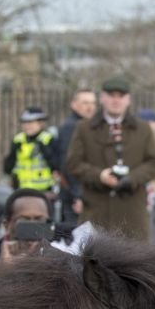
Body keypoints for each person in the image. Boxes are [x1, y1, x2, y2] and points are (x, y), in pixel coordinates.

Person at [65, 76, 155, 241]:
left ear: (128, 99)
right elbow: (73, 164)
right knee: (94, 262)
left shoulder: (142, 129)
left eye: (121, 96)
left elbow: (154, 163)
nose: (116, 100)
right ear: (102, 98)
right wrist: (99, 176)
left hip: (132, 214)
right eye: (111, 95)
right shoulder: (84, 128)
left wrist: (131, 178)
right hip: (96, 212)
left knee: (134, 263)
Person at [57, 89, 97, 223]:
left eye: (93, 103)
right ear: (74, 105)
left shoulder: (88, 126)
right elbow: (67, 164)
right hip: (76, 197)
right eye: (85, 103)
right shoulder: (72, 127)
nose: (90, 107)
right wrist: (78, 196)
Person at [3, 107, 60, 196]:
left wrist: (46, 151)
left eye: (30, 122)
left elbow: (57, 165)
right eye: (24, 122)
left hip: (45, 191)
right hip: (21, 190)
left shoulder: (47, 140)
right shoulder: (18, 140)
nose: (27, 126)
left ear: (40, 123)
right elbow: (8, 167)